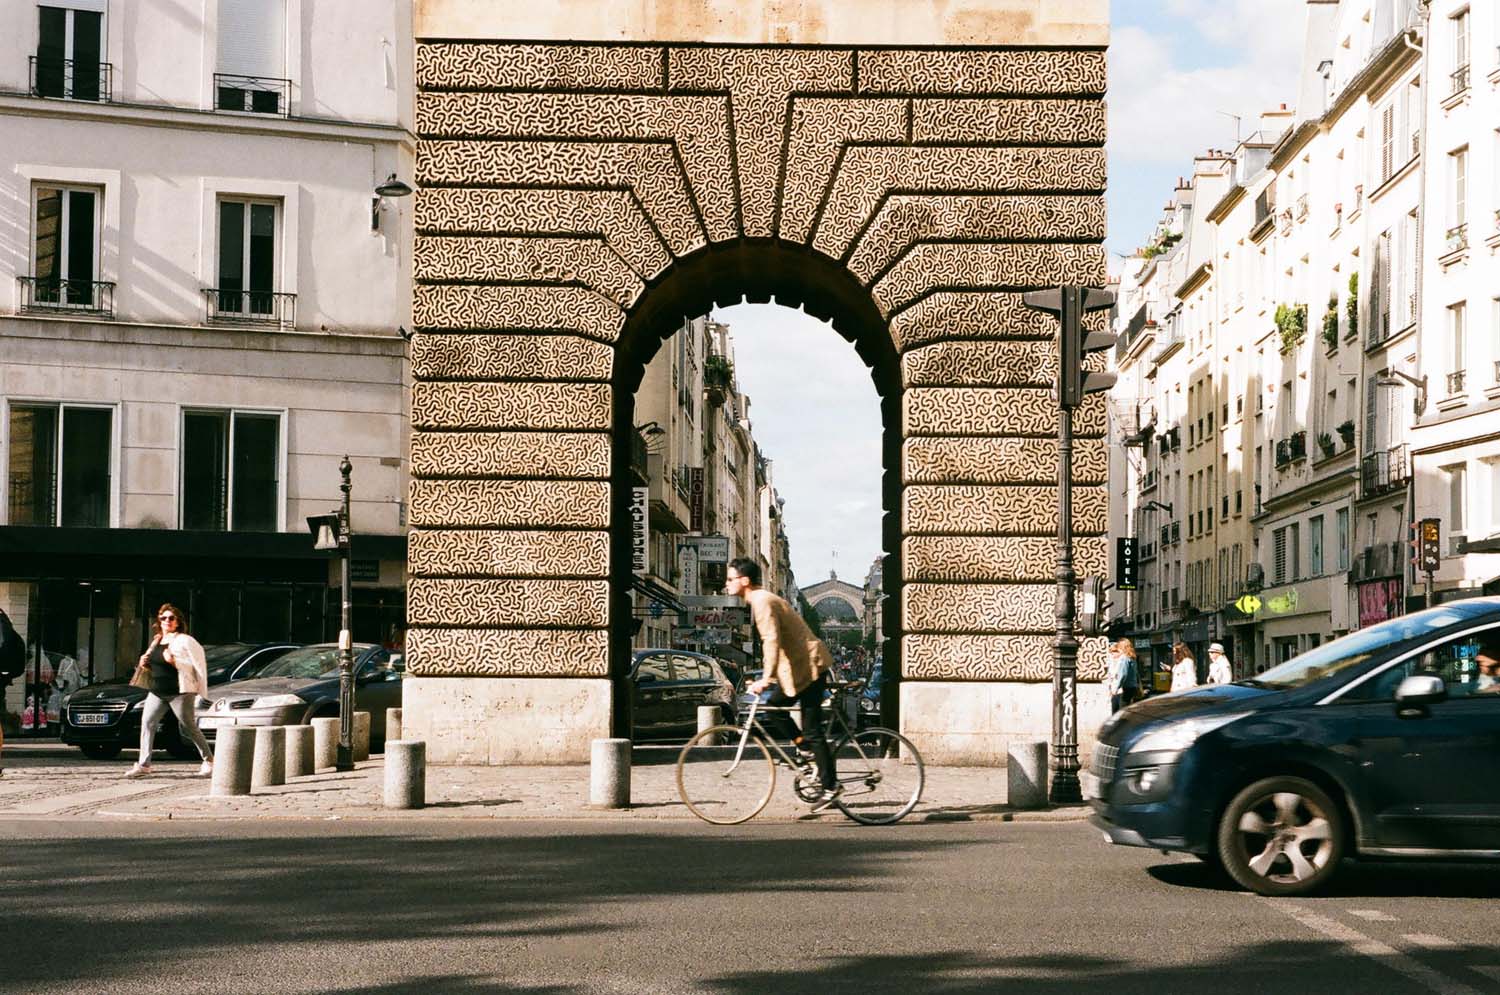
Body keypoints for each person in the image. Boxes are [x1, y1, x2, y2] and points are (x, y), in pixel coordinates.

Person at [726, 557, 841, 810]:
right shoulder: (760, 600)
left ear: (744, 581)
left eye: (730, 578)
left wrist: (766, 678)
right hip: (798, 668)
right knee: (775, 708)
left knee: (812, 730)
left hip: (810, 665)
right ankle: (805, 750)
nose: (727, 584)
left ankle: (831, 786)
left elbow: (771, 641)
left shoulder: (763, 601)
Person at [125, 604, 214, 778]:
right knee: (148, 723)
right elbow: (156, 665)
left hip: (179, 691)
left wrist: (174, 662)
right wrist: (144, 663)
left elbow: (197, 666)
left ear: (178, 622)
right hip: (157, 690)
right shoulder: (157, 640)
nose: (167, 621)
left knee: (188, 726)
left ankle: (209, 761)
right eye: (163, 618)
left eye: (171, 618)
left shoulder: (185, 640)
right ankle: (144, 765)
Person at [1110, 639, 1139, 711]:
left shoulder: (1124, 658)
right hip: (1131, 687)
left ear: (1122, 647)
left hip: (1124, 688)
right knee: (1126, 709)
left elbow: (1122, 675)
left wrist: (1115, 689)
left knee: (1120, 712)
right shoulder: (1132, 658)